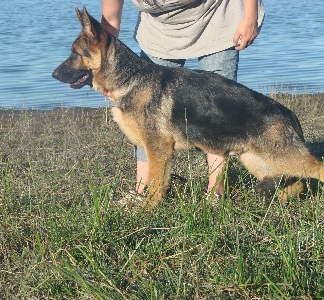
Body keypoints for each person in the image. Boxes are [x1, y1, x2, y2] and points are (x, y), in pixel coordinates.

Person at [101, 0, 265, 201]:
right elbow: (108, 24)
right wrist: (107, 76)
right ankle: (143, 190)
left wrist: (250, 17)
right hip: (161, 33)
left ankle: (216, 191)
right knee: (144, 118)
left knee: (217, 109)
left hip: (216, 18)